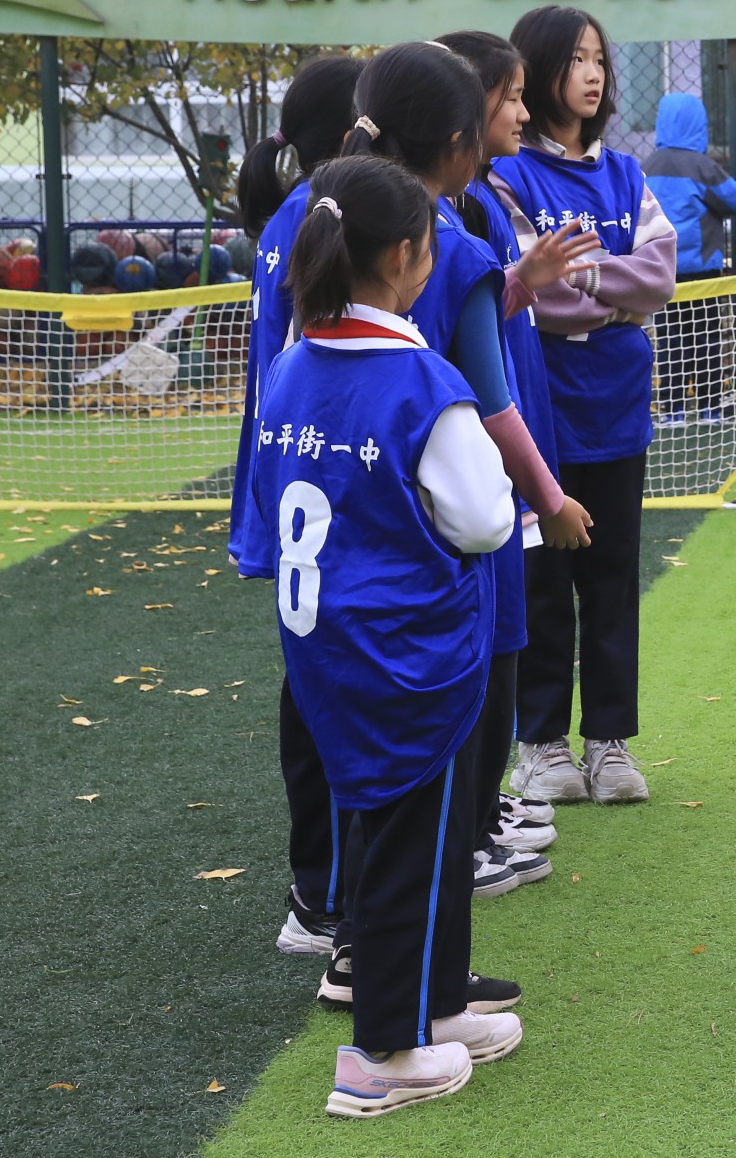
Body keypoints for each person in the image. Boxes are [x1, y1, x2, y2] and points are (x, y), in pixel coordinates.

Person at [248, 154, 522, 1117]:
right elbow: (485, 519)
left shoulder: (290, 364)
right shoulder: (420, 381)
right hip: (412, 657)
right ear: (406, 256)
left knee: (415, 838)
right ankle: (381, 1053)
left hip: (325, 649)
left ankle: (434, 1009)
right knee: (415, 847)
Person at [345, 41, 596, 914]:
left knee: (377, 733)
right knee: (468, 682)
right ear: (459, 134)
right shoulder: (441, 240)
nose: (523, 113)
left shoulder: (370, 224)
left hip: (363, 533)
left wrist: (516, 282)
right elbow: (488, 397)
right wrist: (548, 499)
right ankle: (458, 849)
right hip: (446, 520)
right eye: (511, 97)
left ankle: (374, 892)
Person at [493, 6, 679, 806]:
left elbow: (661, 276)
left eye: (599, 58)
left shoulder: (626, 173)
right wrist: (609, 289)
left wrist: (583, 276)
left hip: (616, 404)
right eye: (575, 59)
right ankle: (541, 745)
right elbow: (532, 295)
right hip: (539, 404)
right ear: (537, 71)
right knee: (541, 578)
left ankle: (609, 741)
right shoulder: (508, 173)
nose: (593, 74)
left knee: (612, 576)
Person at [227, 51, 362, 959]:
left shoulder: (298, 215)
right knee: (324, 689)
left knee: (320, 679)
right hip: (320, 480)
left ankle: (330, 890)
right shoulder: (323, 218)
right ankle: (324, 897)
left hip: (302, 480)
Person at [642, 90, 736, 425]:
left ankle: (673, 408)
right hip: (702, 269)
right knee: (706, 337)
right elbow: (735, 200)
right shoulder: (703, 167)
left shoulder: (647, 166)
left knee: (671, 339)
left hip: (662, 268)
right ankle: (709, 406)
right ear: (699, 125)